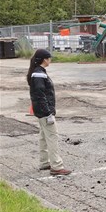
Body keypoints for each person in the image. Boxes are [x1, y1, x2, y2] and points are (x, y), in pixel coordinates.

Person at [27, 48, 71, 176]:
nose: (50, 60)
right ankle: (57, 166)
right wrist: (48, 112)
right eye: (49, 58)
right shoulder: (39, 74)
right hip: (44, 112)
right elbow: (40, 95)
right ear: (44, 59)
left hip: (40, 111)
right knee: (52, 137)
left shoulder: (36, 72)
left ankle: (44, 162)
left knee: (43, 136)